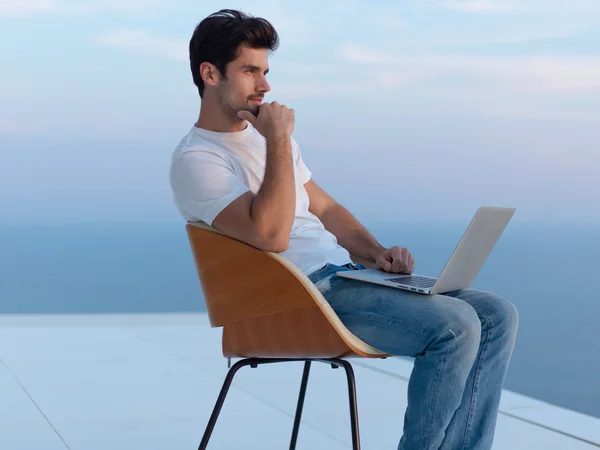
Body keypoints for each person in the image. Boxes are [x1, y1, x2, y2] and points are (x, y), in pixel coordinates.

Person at [169, 9, 519, 450]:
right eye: (250, 71)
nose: (265, 85)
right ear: (210, 74)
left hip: (344, 277)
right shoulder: (198, 160)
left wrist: (377, 254)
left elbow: (327, 207)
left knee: (497, 315)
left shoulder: (271, 141)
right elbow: (272, 236)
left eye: (266, 71)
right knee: (456, 327)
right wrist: (276, 141)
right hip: (297, 300)